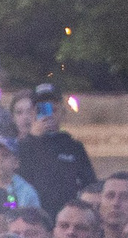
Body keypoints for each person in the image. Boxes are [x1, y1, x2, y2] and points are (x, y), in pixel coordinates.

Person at [13, 86, 98, 217]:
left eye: (54, 110)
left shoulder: (73, 147)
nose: (49, 115)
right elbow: (16, 179)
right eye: (42, 110)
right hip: (32, 216)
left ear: (62, 113)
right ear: (33, 114)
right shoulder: (21, 147)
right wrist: (35, 138)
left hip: (66, 216)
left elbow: (89, 183)